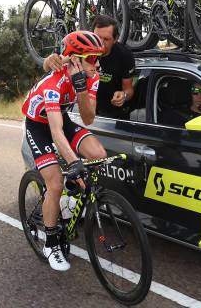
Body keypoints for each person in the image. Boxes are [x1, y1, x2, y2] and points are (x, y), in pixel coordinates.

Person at [22, 30, 107, 271]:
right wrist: (73, 162)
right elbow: (56, 133)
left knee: (98, 155)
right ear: (77, 59)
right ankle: (50, 242)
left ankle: (70, 200)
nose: (98, 63)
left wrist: (81, 88)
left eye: (99, 57)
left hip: (61, 118)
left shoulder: (91, 76)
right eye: (93, 58)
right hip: (39, 125)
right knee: (56, 183)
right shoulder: (53, 82)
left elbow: (88, 119)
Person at [43, 15, 135, 118]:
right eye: (97, 37)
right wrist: (49, 60)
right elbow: (51, 66)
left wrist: (124, 95)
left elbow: (129, 90)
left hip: (114, 115)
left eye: (106, 39)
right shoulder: (83, 46)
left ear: (115, 39)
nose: (100, 42)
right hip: (82, 109)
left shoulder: (124, 55)